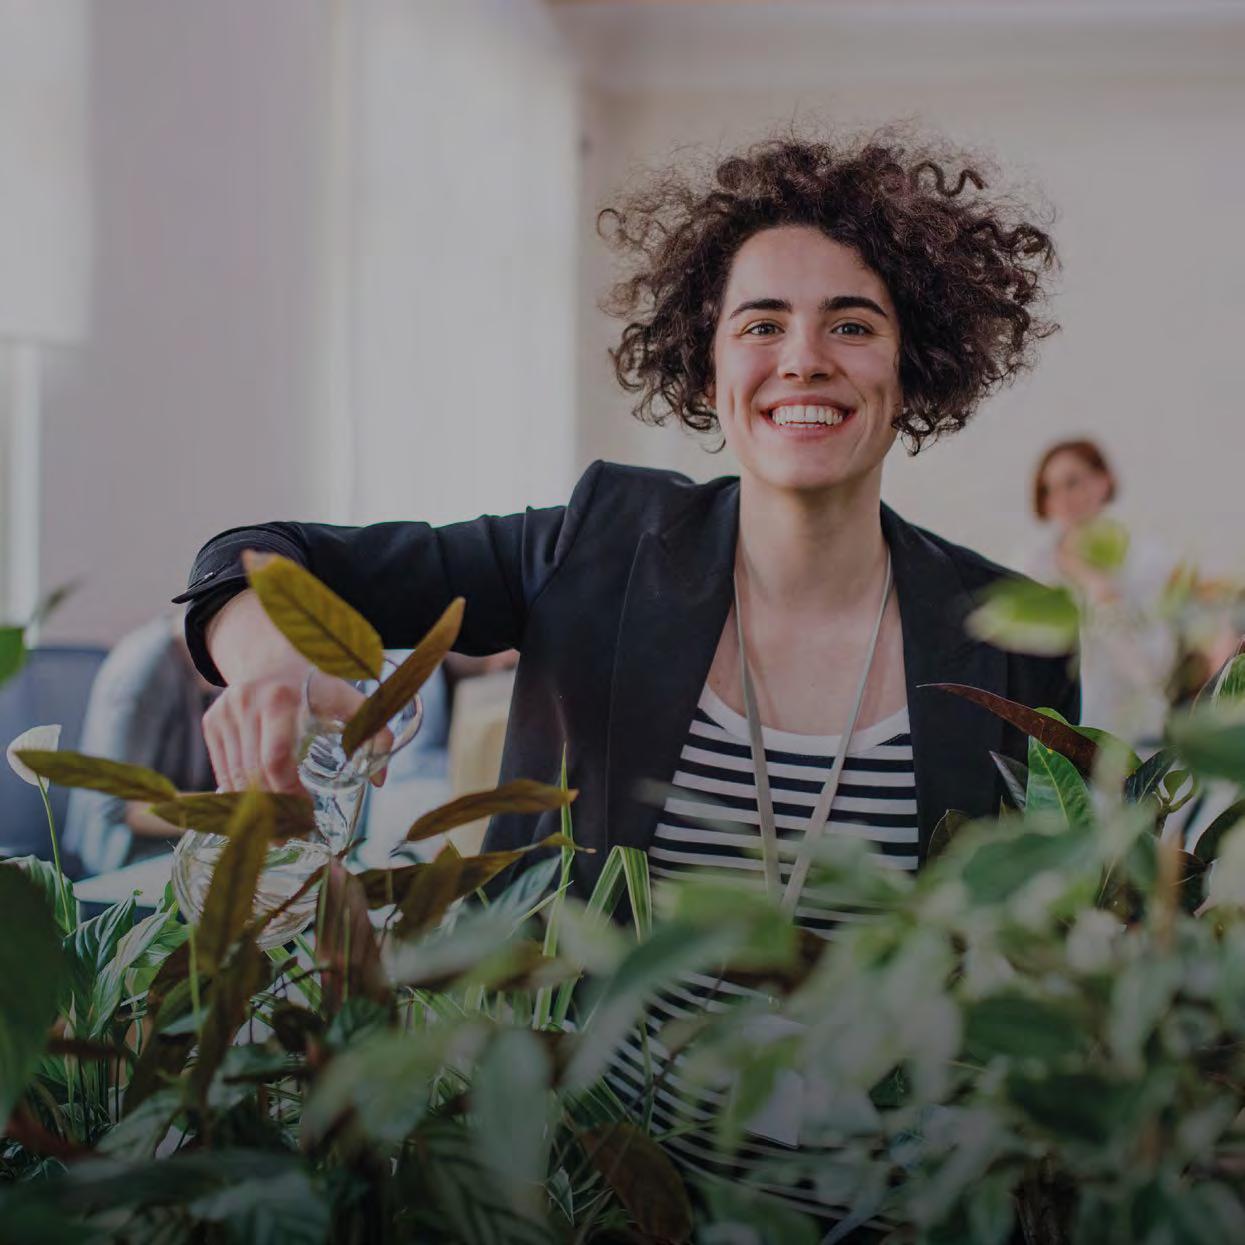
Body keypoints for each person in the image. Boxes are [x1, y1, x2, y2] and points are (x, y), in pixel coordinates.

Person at [175, 131, 1077, 1232]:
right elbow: (252, 558)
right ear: (706, 367)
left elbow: (1033, 966)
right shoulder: (597, 546)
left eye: (852, 324)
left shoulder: (1010, 633)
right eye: (761, 324)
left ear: (914, 366)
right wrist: (271, 667)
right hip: (581, 1203)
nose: (803, 358)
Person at [1019, 438, 1175, 744]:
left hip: (1135, 739)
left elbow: (1151, 670)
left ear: (1104, 481)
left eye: (1072, 482)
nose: (1062, 498)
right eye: (1049, 489)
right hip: (1056, 742)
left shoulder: (1145, 560)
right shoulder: (1033, 567)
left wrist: (1100, 590)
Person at [63, 612, 219, 874]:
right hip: (124, 857)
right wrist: (233, 811)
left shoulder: (209, 667)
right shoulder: (146, 667)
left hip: (181, 842)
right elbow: (121, 806)